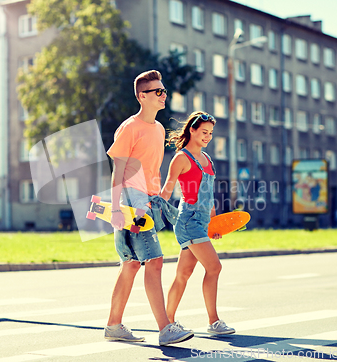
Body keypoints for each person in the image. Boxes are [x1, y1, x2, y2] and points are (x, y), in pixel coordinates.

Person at [104, 70, 194, 346]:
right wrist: (117, 208)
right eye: (158, 91)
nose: (164, 95)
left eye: (164, 91)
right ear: (142, 96)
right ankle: (165, 328)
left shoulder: (157, 129)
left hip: (149, 199)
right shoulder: (129, 128)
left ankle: (113, 325)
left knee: (131, 264)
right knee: (153, 261)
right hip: (132, 199)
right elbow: (117, 168)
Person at [160, 111, 236, 335]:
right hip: (188, 221)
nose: (208, 137)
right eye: (204, 132)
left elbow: (209, 194)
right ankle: (214, 321)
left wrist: (214, 223)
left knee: (182, 275)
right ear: (192, 130)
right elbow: (167, 189)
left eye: (210, 133)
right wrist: (151, 209)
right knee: (214, 266)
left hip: (202, 222)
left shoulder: (207, 159)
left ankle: (167, 322)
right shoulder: (182, 158)